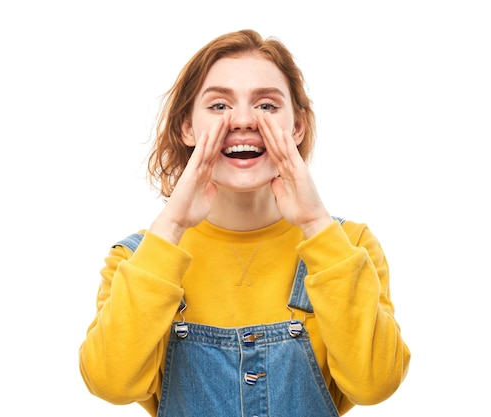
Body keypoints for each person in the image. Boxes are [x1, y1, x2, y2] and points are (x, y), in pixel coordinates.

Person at [79, 29, 410, 417]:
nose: (242, 120)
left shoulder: (348, 245)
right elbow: (110, 383)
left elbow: (375, 384)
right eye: (219, 106)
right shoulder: (136, 259)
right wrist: (170, 226)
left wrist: (315, 223)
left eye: (267, 106)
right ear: (188, 127)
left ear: (297, 127)